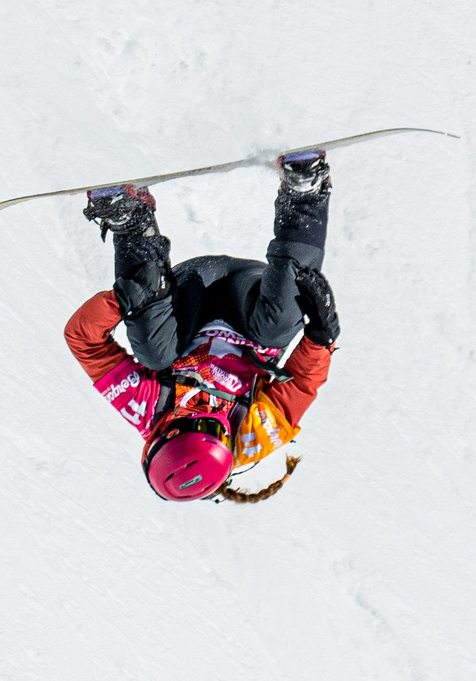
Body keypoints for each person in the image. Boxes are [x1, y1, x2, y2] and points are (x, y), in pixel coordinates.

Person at [63, 151, 341, 502]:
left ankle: (132, 223)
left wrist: (123, 300)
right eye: (211, 426)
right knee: (277, 327)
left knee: (154, 355)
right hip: (249, 303)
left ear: (160, 437)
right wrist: (320, 335)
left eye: (186, 425)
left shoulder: (149, 408)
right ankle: (305, 194)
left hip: (189, 295)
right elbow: (302, 384)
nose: (200, 415)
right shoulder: (251, 437)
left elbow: (83, 342)